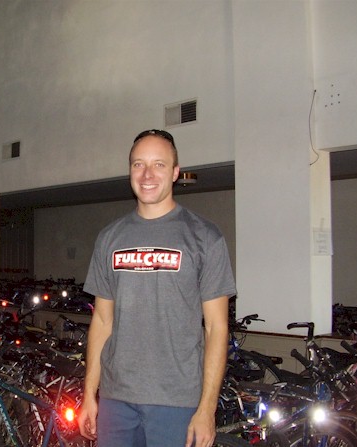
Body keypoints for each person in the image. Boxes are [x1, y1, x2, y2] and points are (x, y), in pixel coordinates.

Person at [78, 129, 236, 447]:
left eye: (158, 164)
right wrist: (89, 394)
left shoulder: (205, 237)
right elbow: (103, 321)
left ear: (175, 172)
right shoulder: (109, 238)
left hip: (177, 403)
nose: (147, 174)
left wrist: (207, 409)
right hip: (116, 401)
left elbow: (216, 328)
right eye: (138, 164)